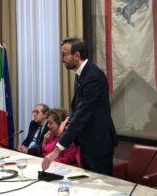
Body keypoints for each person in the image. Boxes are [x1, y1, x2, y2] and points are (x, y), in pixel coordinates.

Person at [41, 37, 117, 176]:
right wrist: (67, 119)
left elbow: (82, 114)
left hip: (98, 143)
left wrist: (57, 150)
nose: (62, 59)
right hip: (87, 143)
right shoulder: (81, 74)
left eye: (64, 54)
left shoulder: (92, 77)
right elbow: (78, 108)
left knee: (100, 185)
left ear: (76, 55)